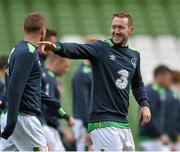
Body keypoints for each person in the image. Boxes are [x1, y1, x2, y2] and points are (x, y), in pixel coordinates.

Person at [38, 11, 151, 151]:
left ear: (131, 30)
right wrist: (56, 47)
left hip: (123, 122)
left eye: (120, 27)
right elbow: (78, 49)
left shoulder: (134, 56)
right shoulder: (101, 48)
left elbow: (138, 84)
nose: (116, 31)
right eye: (113, 27)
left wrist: (144, 104)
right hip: (103, 122)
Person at [0, 13, 69, 151]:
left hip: (15, 115)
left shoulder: (18, 49)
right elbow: (14, 88)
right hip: (23, 118)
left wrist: (53, 103)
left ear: (23, 28)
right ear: (42, 30)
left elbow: (26, 86)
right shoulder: (29, 52)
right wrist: (12, 121)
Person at [138, 65, 172, 151]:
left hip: (154, 138)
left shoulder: (158, 91)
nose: (169, 81)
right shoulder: (150, 91)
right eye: (168, 78)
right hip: (150, 138)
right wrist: (160, 134)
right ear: (161, 76)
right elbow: (150, 115)